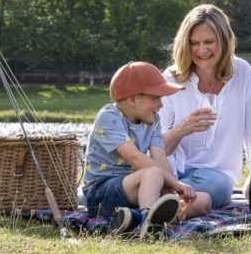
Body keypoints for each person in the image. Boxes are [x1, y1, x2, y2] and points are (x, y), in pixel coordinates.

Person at [159, 5, 251, 214]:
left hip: (217, 177)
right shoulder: (170, 78)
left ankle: (163, 207)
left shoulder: (241, 71)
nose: (201, 50)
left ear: (224, 41)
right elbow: (155, 149)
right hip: (171, 173)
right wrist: (181, 129)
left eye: (209, 42)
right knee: (155, 179)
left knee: (218, 185)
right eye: (194, 43)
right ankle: (166, 205)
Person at [81, 61, 196, 238]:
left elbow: (160, 159)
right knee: (153, 173)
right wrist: (176, 184)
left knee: (203, 199)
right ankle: (149, 228)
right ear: (132, 99)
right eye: (156, 98)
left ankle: (133, 217)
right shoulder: (109, 116)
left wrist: (171, 196)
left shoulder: (153, 120)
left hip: (132, 188)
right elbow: (135, 158)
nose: (161, 105)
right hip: (100, 193)